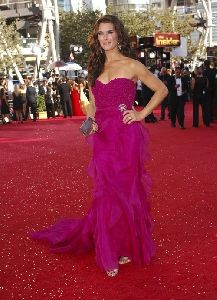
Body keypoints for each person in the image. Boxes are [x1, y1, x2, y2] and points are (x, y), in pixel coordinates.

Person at [32, 15, 168, 277]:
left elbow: (161, 89)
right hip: (103, 137)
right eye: (100, 34)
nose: (105, 38)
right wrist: (89, 125)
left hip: (126, 136)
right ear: (97, 38)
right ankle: (110, 249)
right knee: (106, 191)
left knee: (127, 190)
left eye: (110, 32)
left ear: (118, 35)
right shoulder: (94, 68)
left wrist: (141, 114)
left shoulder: (132, 65)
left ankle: (126, 244)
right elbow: (93, 107)